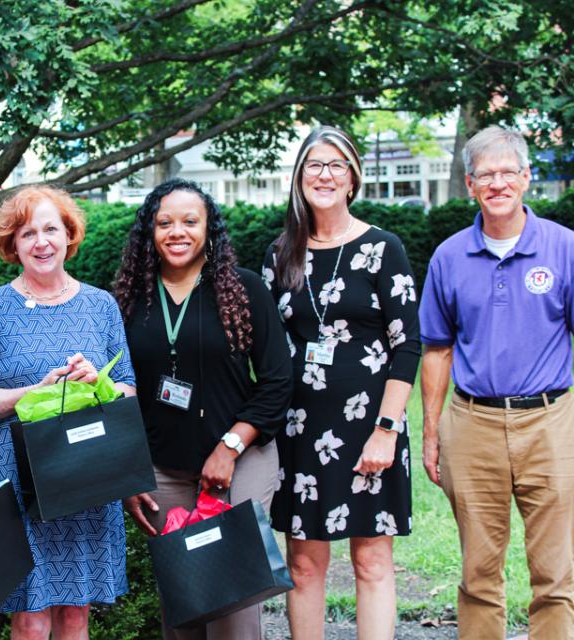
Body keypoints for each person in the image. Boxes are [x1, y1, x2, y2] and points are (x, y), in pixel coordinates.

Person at [117, 178, 293, 640]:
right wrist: (130, 476)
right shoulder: (130, 300)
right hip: (162, 469)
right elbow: (119, 395)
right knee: (185, 602)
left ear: (209, 229)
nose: (177, 232)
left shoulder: (244, 289)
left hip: (241, 460)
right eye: (165, 223)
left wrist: (230, 447)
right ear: (150, 232)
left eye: (190, 221)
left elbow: (277, 381)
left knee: (232, 600)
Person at [264, 126, 420, 640]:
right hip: (300, 430)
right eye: (314, 165)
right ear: (299, 178)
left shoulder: (383, 247)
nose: (325, 175)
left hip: (370, 429)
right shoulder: (280, 253)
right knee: (304, 565)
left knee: (371, 561)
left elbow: (407, 346)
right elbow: (266, 346)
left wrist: (386, 430)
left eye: (336, 165)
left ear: (353, 179)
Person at [420, 126, 574, 638]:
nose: (498, 183)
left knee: (555, 573)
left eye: (508, 172)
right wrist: (431, 433)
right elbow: (436, 350)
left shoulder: (564, 248)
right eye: (486, 175)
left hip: (550, 423)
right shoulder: (448, 257)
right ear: (470, 185)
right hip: (472, 424)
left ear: (526, 178)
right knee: (478, 573)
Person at [0, 185, 136, 640]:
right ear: (13, 244)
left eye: (50, 230)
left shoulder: (100, 305)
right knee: (30, 617)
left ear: (68, 235)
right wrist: (35, 391)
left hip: (86, 478)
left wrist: (96, 383)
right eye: (27, 234)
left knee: (76, 614)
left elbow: (128, 388)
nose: (41, 242)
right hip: (20, 482)